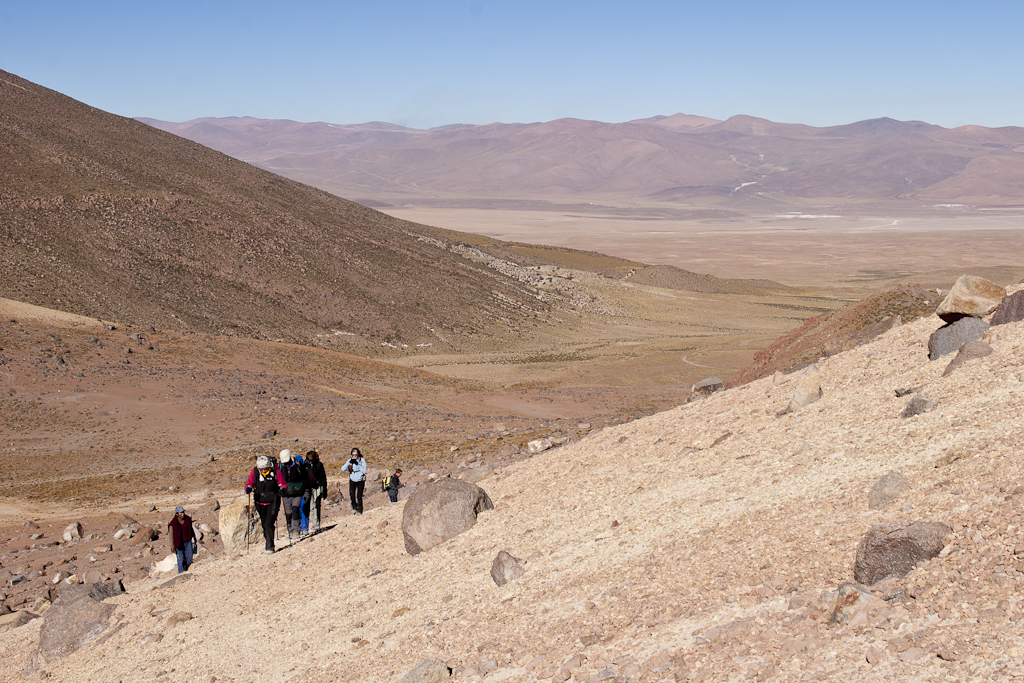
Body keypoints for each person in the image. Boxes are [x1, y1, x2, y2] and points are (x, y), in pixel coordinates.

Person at [245, 454, 286, 554]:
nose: (264, 471)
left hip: (273, 501)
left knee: (269, 523)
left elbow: (283, 484)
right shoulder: (255, 472)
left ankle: (269, 546)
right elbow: (248, 483)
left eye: (266, 469)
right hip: (260, 502)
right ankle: (268, 539)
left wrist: (282, 490)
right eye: (262, 469)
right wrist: (248, 488)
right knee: (264, 524)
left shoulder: (275, 472)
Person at [279, 449, 310, 539]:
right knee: (288, 512)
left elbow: (305, 478)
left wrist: (306, 491)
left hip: (298, 492)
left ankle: (296, 530)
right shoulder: (281, 466)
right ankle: (290, 530)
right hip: (286, 493)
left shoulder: (298, 465)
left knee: (295, 509)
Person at [168, 506, 196, 573]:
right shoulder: (173, 523)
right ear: (177, 514)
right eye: (180, 513)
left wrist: (194, 539)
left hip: (187, 541)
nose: (182, 514)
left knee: (189, 558)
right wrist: (172, 546)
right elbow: (171, 536)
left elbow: (191, 530)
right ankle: (181, 572)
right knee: (180, 559)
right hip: (178, 543)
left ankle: (187, 569)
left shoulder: (188, 519)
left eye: (183, 512)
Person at [306, 449, 328, 532]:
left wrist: (324, 489)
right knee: (312, 506)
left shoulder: (319, 465)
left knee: (317, 505)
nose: (310, 461)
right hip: (310, 488)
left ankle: (317, 523)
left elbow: (323, 477)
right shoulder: (306, 465)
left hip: (318, 487)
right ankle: (315, 524)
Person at [341, 447, 367, 515]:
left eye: (356, 455)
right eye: (353, 455)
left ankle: (360, 509)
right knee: (352, 495)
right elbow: (343, 469)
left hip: (360, 479)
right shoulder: (350, 460)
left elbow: (364, 470)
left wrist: (357, 464)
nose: (354, 456)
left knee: (359, 495)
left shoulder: (362, 460)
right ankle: (354, 507)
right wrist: (349, 463)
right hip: (352, 479)